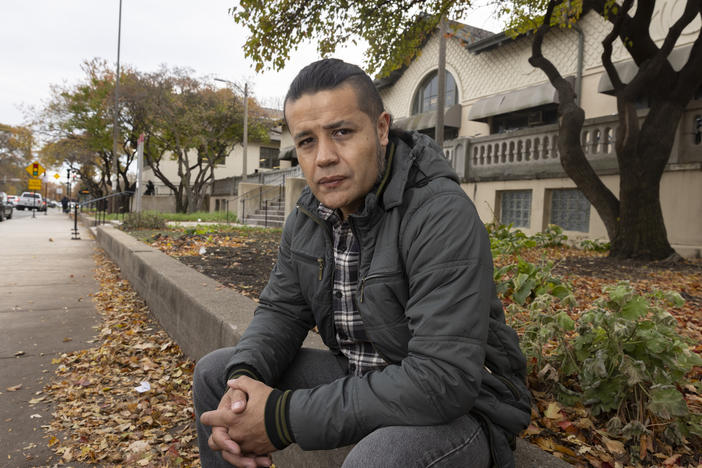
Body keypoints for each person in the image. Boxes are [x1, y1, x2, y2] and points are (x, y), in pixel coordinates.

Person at [194, 59, 531, 468]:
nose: (324, 158)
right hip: (360, 376)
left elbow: (444, 379)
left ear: (382, 129)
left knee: (377, 460)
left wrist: (281, 418)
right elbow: (281, 311)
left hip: (462, 409)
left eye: (341, 132)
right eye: (306, 142)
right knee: (219, 376)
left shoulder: (439, 213)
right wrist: (244, 381)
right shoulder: (308, 217)